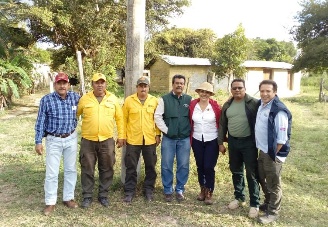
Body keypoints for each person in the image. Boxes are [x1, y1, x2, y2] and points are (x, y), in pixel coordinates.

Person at [35, 72, 80, 216]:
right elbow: (40, 121)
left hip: (71, 137)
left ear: (68, 85)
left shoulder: (75, 97)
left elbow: (89, 107)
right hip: (53, 139)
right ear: (55, 85)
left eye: (64, 83)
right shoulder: (46, 100)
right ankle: (50, 202)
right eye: (59, 83)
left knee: (70, 170)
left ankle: (68, 198)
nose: (62, 85)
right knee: (52, 172)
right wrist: (38, 141)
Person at [77, 73, 124, 208]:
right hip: (88, 140)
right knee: (87, 168)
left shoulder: (113, 99)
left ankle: (103, 195)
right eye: (97, 82)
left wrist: (121, 136)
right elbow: (76, 115)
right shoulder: (84, 99)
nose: (100, 85)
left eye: (102, 82)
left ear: (106, 84)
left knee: (107, 167)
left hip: (107, 140)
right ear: (92, 84)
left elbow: (120, 119)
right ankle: (87, 196)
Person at [218, 78, 260, 218]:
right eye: (234, 88)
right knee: (236, 170)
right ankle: (239, 197)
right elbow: (223, 124)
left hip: (249, 142)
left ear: (245, 89)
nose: (237, 90)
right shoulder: (227, 104)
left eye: (240, 88)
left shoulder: (253, 103)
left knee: (251, 173)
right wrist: (221, 142)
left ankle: (254, 203)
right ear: (231, 90)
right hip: (233, 142)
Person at [255, 80, 292, 224]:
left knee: (273, 183)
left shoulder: (279, 110)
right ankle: (268, 203)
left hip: (273, 153)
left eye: (268, 91)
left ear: (274, 92)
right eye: (262, 91)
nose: (264, 94)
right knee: (262, 178)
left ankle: (273, 213)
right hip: (263, 150)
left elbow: (281, 140)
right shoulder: (261, 105)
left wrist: (272, 156)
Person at [122, 76, 161, 203]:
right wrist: (122, 136)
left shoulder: (154, 101)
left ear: (148, 88)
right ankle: (129, 191)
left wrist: (158, 134)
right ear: (137, 87)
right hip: (133, 139)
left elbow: (158, 120)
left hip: (150, 139)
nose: (143, 88)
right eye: (140, 86)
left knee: (150, 166)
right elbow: (123, 120)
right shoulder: (129, 101)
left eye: (145, 86)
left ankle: (148, 190)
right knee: (131, 166)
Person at [154, 74, 192, 202]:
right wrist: (167, 130)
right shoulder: (164, 99)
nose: (179, 85)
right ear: (173, 84)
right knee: (166, 165)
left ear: (184, 85)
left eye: (182, 83)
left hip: (184, 139)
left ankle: (180, 189)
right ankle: (168, 190)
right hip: (169, 139)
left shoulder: (189, 100)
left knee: (183, 165)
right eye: (177, 83)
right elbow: (157, 117)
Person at [189, 82, 221, 205]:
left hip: (212, 139)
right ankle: (202, 189)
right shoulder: (193, 105)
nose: (204, 94)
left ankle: (209, 191)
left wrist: (222, 141)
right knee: (200, 166)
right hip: (197, 139)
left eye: (207, 92)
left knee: (209, 166)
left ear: (210, 94)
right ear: (198, 92)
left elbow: (221, 122)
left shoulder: (215, 107)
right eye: (202, 91)